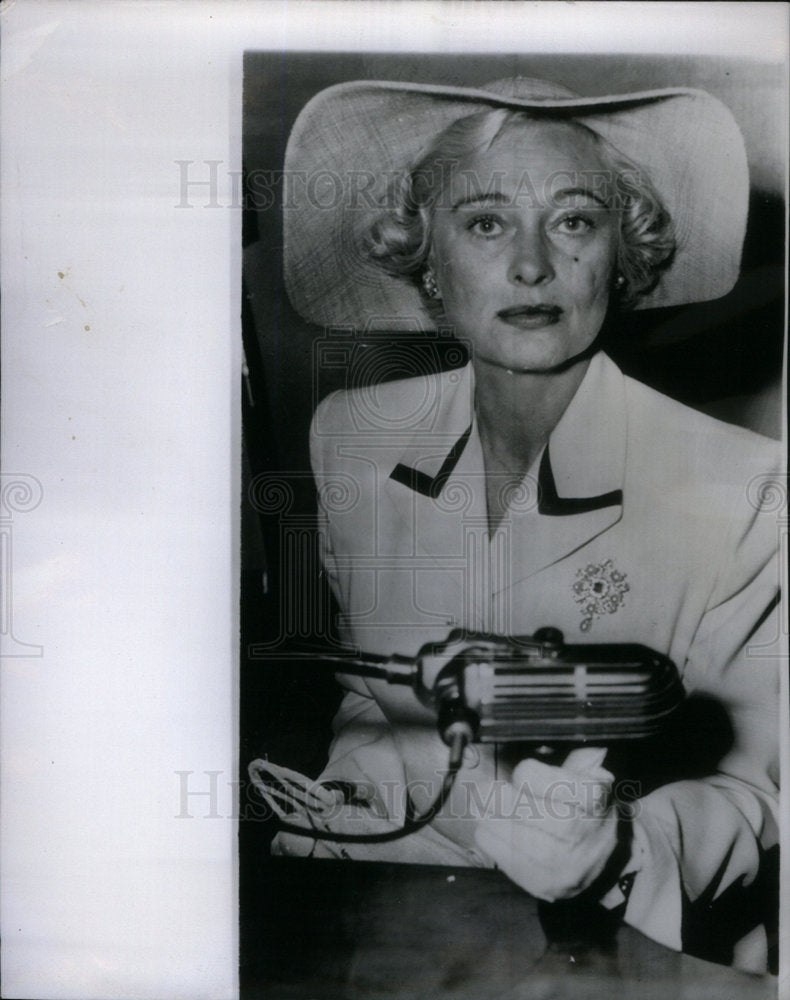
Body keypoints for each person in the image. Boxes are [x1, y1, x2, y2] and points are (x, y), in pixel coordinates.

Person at [272, 77, 782, 973]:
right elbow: (370, 707)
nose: (534, 265)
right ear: (427, 260)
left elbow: (753, 791)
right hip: (394, 928)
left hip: (624, 951)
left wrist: (615, 850)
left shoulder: (746, 486)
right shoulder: (351, 437)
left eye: (576, 221)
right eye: (485, 222)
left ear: (624, 256)